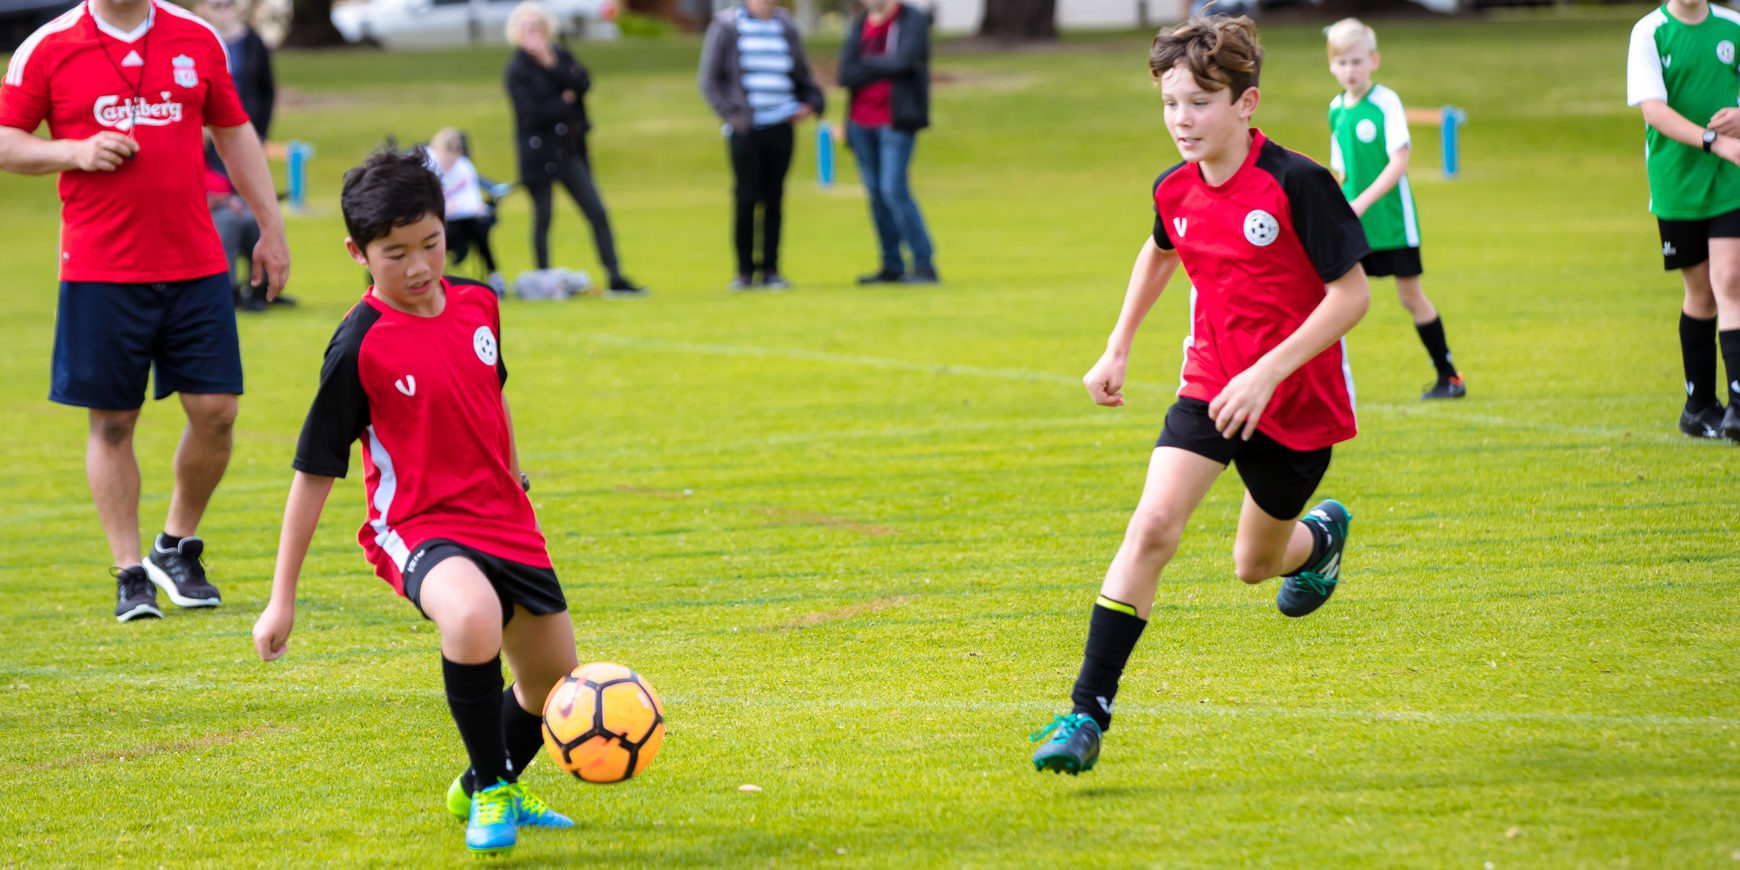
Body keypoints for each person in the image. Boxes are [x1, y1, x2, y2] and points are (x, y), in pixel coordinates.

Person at [1027, 16, 1371, 775]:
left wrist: (1269, 371)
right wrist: (1117, 344)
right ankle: (1085, 713)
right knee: (1152, 526)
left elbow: (1350, 298)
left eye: (1200, 103)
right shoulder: (1174, 188)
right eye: (1170, 103)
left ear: (1246, 103)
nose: (1182, 121)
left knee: (1256, 563)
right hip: (1211, 386)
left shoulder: (1297, 184)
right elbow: (1160, 251)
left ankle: (1321, 541)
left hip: (1299, 403)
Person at [251, 149, 580, 857]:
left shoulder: (480, 304)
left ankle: (481, 781)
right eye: (394, 253)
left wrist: (516, 480)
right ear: (357, 252)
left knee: (550, 678)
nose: (420, 265)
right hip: (418, 525)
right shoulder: (358, 344)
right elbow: (314, 471)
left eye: (430, 242)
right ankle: (492, 793)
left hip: (504, 519)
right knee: (470, 617)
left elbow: (493, 396)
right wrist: (283, 597)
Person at [0, 0, 291, 622]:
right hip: (100, 270)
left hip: (196, 264)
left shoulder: (197, 37)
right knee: (111, 424)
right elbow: (6, 140)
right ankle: (131, 571)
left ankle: (174, 546)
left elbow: (234, 130)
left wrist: (270, 223)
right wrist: (70, 153)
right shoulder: (47, 46)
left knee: (217, 413)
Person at [1325, 18, 1464, 401]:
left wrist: (1362, 203)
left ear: (1374, 60)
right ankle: (1326, 386)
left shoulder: (1386, 102)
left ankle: (1448, 377)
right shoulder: (1336, 109)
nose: (1349, 70)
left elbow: (1398, 162)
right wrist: (1334, 205)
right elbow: (1341, 170)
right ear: (1331, 65)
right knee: (1333, 296)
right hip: (1354, 222)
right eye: (1342, 63)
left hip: (1392, 222)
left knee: (1410, 297)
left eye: (1357, 61)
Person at [1627, 0, 1740, 440]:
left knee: (1730, 279)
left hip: (1729, 177)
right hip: (1676, 182)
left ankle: (1737, 407)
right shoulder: (1649, 33)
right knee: (1701, 292)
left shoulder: (1733, 26)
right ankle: (1699, 406)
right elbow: (1653, 110)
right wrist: (1712, 140)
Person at [504, 1, 645, 297]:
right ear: (517, 32)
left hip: (568, 151)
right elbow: (530, 113)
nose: (535, 34)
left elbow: (582, 82)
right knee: (543, 217)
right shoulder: (516, 69)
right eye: (528, 28)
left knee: (597, 212)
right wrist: (563, 102)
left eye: (539, 27)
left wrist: (551, 64)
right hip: (538, 155)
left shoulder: (560, 56)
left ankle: (616, 276)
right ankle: (542, 280)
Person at [698, 0, 825, 291]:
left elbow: (802, 74)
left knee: (774, 198)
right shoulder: (728, 25)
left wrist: (811, 103)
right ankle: (744, 271)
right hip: (746, 128)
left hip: (782, 123)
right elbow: (709, 80)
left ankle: (771, 269)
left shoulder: (786, 24)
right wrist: (733, 115)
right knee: (746, 198)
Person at [838, 0, 938, 285]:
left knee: (894, 190)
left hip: (896, 120)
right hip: (860, 122)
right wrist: (885, 66)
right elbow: (845, 74)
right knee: (877, 196)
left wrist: (865, 65)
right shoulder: (859, 25)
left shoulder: (912, 20)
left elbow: (903, 60)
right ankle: (891, 264)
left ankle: (924, 264)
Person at [430, 127, 507, 297]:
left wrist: (478, 207)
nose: (450, 164)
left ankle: (495, 278)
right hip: (441, 224)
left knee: (479, 230)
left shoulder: (464, 166)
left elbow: (472, 197)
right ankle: (434, 281)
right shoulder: (429, 167)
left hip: (465, 221)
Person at [195, 0, 271, 140]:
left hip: (245, 125)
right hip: (209, 131)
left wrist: (262, 132)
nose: (224, 11)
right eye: (217, 6)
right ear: (202, 9)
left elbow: (266, 90)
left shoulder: (253, 42)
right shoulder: (197, 42)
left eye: (228, 5)